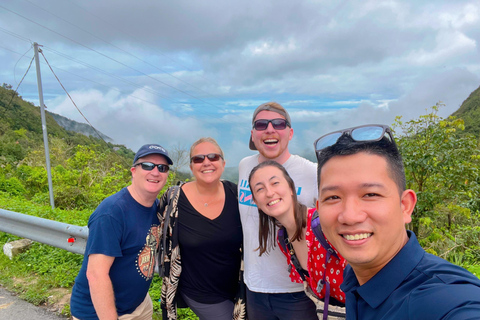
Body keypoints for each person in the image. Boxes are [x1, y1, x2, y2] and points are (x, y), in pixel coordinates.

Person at [314, 124, 480, 319]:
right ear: (318, 208)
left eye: (370, 194)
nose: (349, 216)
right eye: (333, 197)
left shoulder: (448, 300)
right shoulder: (355, 276)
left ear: (405, 206)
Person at [70, 143, 173, 320]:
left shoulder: (158, 207)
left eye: (162, 168)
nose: (155, 172)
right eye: (147, 165)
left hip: (139, 305)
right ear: (133, 170)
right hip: (100, 313)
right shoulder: (112, 213)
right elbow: (96, 274)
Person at [238, 102, 318, 319]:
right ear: (253, 135)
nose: (270, 129)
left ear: (290, 133)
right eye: (261, 124)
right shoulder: (245, 166)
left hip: (298, 290)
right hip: (254, 287)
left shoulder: (313, 173)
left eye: (279, 124)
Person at [248, 160, 347, 319]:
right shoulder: (284, 240)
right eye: (260, 189)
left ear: (291, 188)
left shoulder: (324, 224)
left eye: (275, 183)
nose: (269, 192)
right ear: (256, 202)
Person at [158, 137, 243, 320]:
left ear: (223, 163)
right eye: (198, 159)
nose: (206, 162)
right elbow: (152, 227)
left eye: (213, 157)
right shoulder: (174, 199)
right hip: (199, 291)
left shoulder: (237, 195)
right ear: (191, 167)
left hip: (239, 289)